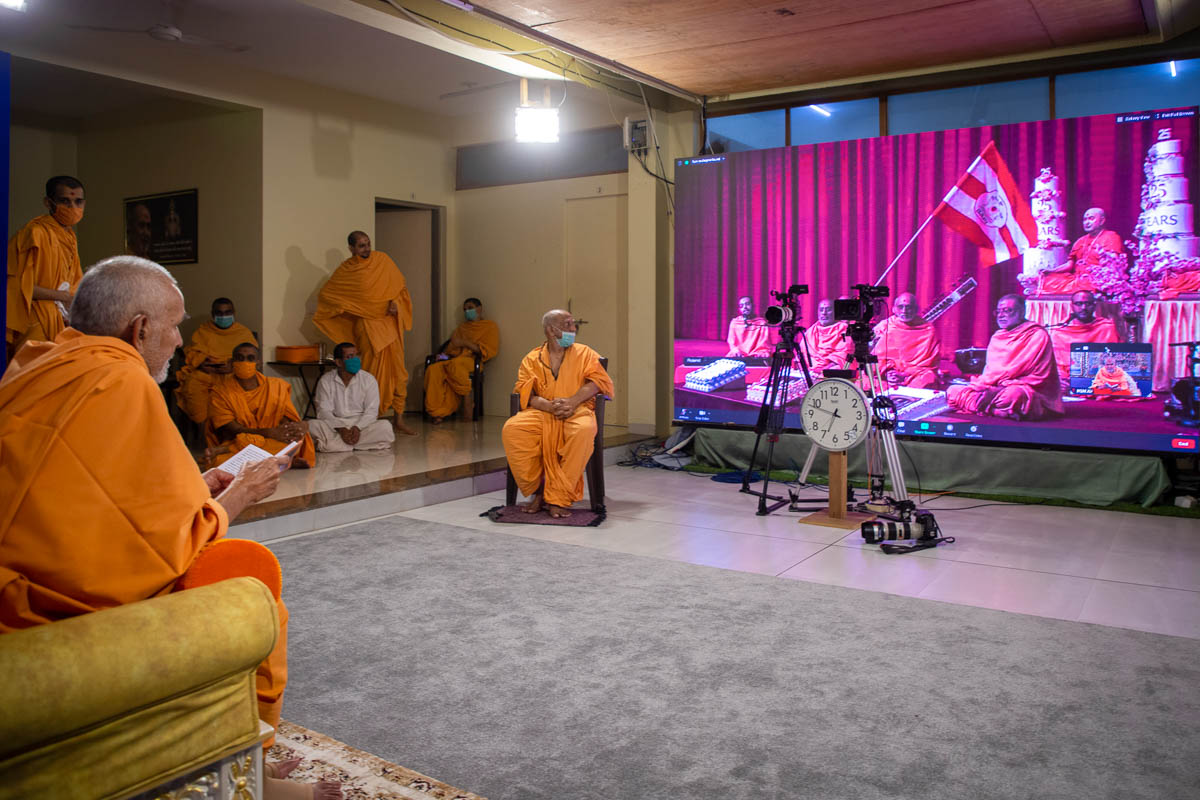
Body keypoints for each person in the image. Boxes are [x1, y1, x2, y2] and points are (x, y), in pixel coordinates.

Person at [0, 256, 338, 798]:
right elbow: (166, 544)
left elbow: (94, 486)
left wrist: (199, 484)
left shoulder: (37, 360)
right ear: (139, 328)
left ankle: (251, 754)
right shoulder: (122, 379)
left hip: (16, 568)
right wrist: (239, 496)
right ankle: (253, 768)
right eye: (174, 325)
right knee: (254, 589)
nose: (180, 341)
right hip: (47, 601)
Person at [502, 309, 614, 519]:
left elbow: (599, 383)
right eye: (568, 325)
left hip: (577, 410)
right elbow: (526, 393)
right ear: (551, 330)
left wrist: (572, 402)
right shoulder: (532, 358)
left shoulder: (585, 353)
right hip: (543, 412)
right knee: (513, 429)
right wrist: (548, 406)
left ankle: (557, 497)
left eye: (573, 325)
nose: (573, 329)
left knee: (583, 430)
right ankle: (540, 491)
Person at [312, 231, 416, 435]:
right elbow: (327, 296)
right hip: (367, 328)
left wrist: (396, 304)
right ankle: (369, 419)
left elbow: (400, 288)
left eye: (368, 244)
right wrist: (354, 308)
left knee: (398, 374)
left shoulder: (383, 260)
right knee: (371, 374)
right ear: (351, 248)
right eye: (361, 246)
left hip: (389, 325)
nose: (366, 249)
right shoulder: (346, 271)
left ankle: (399, 418)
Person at [6, 176, 85, 362]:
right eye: (64, 201)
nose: (72, 207)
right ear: (48, 202)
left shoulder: (69, 237)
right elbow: (21, 287)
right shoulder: (35, 233)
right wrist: (63, 297)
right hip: (35, 317)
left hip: (60, 319)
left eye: (78, 201)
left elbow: (74, 283)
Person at [947, 294, 1063, 420]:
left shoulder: (1037, 335)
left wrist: (997, 390)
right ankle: (995, 410)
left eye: (1007, 310)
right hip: (992, 387)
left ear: (1022, 312)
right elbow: (991, 373)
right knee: (952, 391)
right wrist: (987, 388)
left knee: (1013, 396)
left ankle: (983, 407)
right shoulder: (997, 336)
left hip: (1023, 389)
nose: (1001, 315)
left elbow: (1037, 378)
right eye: (998, 311)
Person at [208, 343, 316, 469]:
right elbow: (233, 429)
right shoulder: (220, 392)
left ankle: (272, 460)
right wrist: (267, 433)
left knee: (295, 440)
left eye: (250, 358)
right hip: (240, 441)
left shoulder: (276, 386)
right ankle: (281, 460)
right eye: (240, 358)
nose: (245, 362)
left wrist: (300, 425)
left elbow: (286, 421)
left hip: (271, 440)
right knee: (220, 462)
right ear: (232, 362)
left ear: (258, 363)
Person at [175, 297, 258, 423]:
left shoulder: (243, 333)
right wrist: (201, 363)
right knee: (193, 385)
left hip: (232, 376)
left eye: (227, 312)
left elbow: (252, 359)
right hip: (207, 374)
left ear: (233, 313)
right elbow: (192, 353)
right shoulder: (203, 331)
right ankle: (202, 428)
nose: (223, 316)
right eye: (219, 313)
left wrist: (234, 367)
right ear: (213, 314)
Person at [424, 297, 500, 422]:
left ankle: (467, 399)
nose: (466, 311)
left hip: (473, 361)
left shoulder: (490, 326)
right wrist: (442, 356)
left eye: (470, 308)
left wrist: (464, 342)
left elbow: (486, 350)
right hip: (456, 360)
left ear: (479, 309)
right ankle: (436, 411)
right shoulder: (461, 328)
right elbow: (451, 351)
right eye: (464, 309)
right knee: (434, 369)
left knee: (455, 365)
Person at [310, 342, 396, 452]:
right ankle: (358, 445)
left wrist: (357, 428)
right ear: (339, 362)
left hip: (361, 425)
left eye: (356, 356)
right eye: (350, 357)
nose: (355, 360)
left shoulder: (368, 379)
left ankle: (334, 445)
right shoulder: (326, 381)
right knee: (312, 425)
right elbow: (323, 411)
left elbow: (372, 412)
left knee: (385, 427)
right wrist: (341, 429)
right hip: (335, 426)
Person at [1038, 208, 1124, 294]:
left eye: (1091, 218)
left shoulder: (1111, 237)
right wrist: (1051, 271)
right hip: (1077, 279)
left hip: (1096, 279)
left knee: (1086, 285)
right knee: (1048, 280)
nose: (1087, 222)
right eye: (1085, 220)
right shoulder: (1080, 241)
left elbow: (1113, 265)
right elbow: (1070, 265)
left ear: (1102, 221)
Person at [1048, 291, 1121, 390]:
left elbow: (1116, 360)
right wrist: (1057, 380)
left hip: (1101, 379)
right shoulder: (1059, 331)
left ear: (1094, 306)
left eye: (1088, 304)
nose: (1083, 308)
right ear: (1072, 306)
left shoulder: (1106, 328)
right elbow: (1056, 365)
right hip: (1068, 381)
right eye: (1079, 304)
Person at [870, 292, 941, 389]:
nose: (904, 311)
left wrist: (904, 374)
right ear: (894, 309)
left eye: (909, 307)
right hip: (888, 371)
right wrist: (887, 372)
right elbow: (875, 356)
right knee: (865, 375)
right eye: (900, 307)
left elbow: (929, 364)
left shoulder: (928, 329)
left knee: (928, 378)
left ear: (916, 309)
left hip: (914, 374)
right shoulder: (885, 325)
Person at [803, 298, 852, 376]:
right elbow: (802, 353)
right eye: (821, 310)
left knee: (837, 369)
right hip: (811, 370)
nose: (824, 313)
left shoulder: (844, 329)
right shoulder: (811, 331)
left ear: (836, 312)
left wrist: (825, 369)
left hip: (831, 368)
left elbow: (843, 353)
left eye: (828, 309)